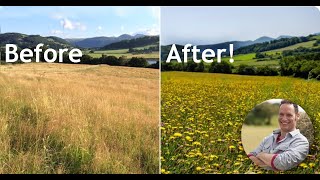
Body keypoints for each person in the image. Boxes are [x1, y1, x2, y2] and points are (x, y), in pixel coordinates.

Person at [247, 99, 309, 171]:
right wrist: (269, 162)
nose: (284, 119)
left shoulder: (302, 142)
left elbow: (281, 163)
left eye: (289, 115)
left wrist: (261, 155)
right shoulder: (269, 138)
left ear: (297, 116)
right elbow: (251, 155)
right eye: (281, 114)